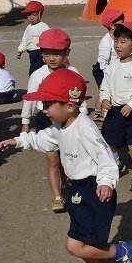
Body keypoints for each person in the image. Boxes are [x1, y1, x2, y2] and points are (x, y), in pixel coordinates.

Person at [0, 69, 132, 263]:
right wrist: (17, 140)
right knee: (82, 242)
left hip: (94, 190)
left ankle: (123, 251)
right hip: (77, 190)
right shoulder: (61, 126)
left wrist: (106, 182)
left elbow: (105, 157)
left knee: (76, 245)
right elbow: (42, 139)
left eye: (48, 104)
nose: (43, 109)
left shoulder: (84, 127)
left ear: (70, 106)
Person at [21, 29, 86, 212]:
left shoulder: (72, 72)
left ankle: (66, 183)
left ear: (67, 53)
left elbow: (78, 97)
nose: (51, 58)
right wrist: (25, 122)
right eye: (46, 53)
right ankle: (57, 196)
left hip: (69, 121)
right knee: (53, 161)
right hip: (46, 119)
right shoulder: (38, 75)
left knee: (68, 158)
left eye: (56, 53)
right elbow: (29, 100)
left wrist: (82, 115)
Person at [99, 22, 132, 191]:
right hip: (114, 111)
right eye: (116, 41)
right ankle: (117, 164)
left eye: (123, 42)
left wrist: (131, 104)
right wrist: (105, 98)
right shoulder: (112, 66)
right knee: (110, 141)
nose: (118, 46)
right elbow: (105, 86)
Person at [16, 1, 49, 76]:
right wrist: (20, 50)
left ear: (40, 14)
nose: (31, 17)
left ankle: (34, 80)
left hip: (40, 52)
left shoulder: (44, 26)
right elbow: (25, 40)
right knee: (38, 70)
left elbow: (49, 39)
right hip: (31, 52)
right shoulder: (28, 27)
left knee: (34, 71)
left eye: (34, 15)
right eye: (28, 15)